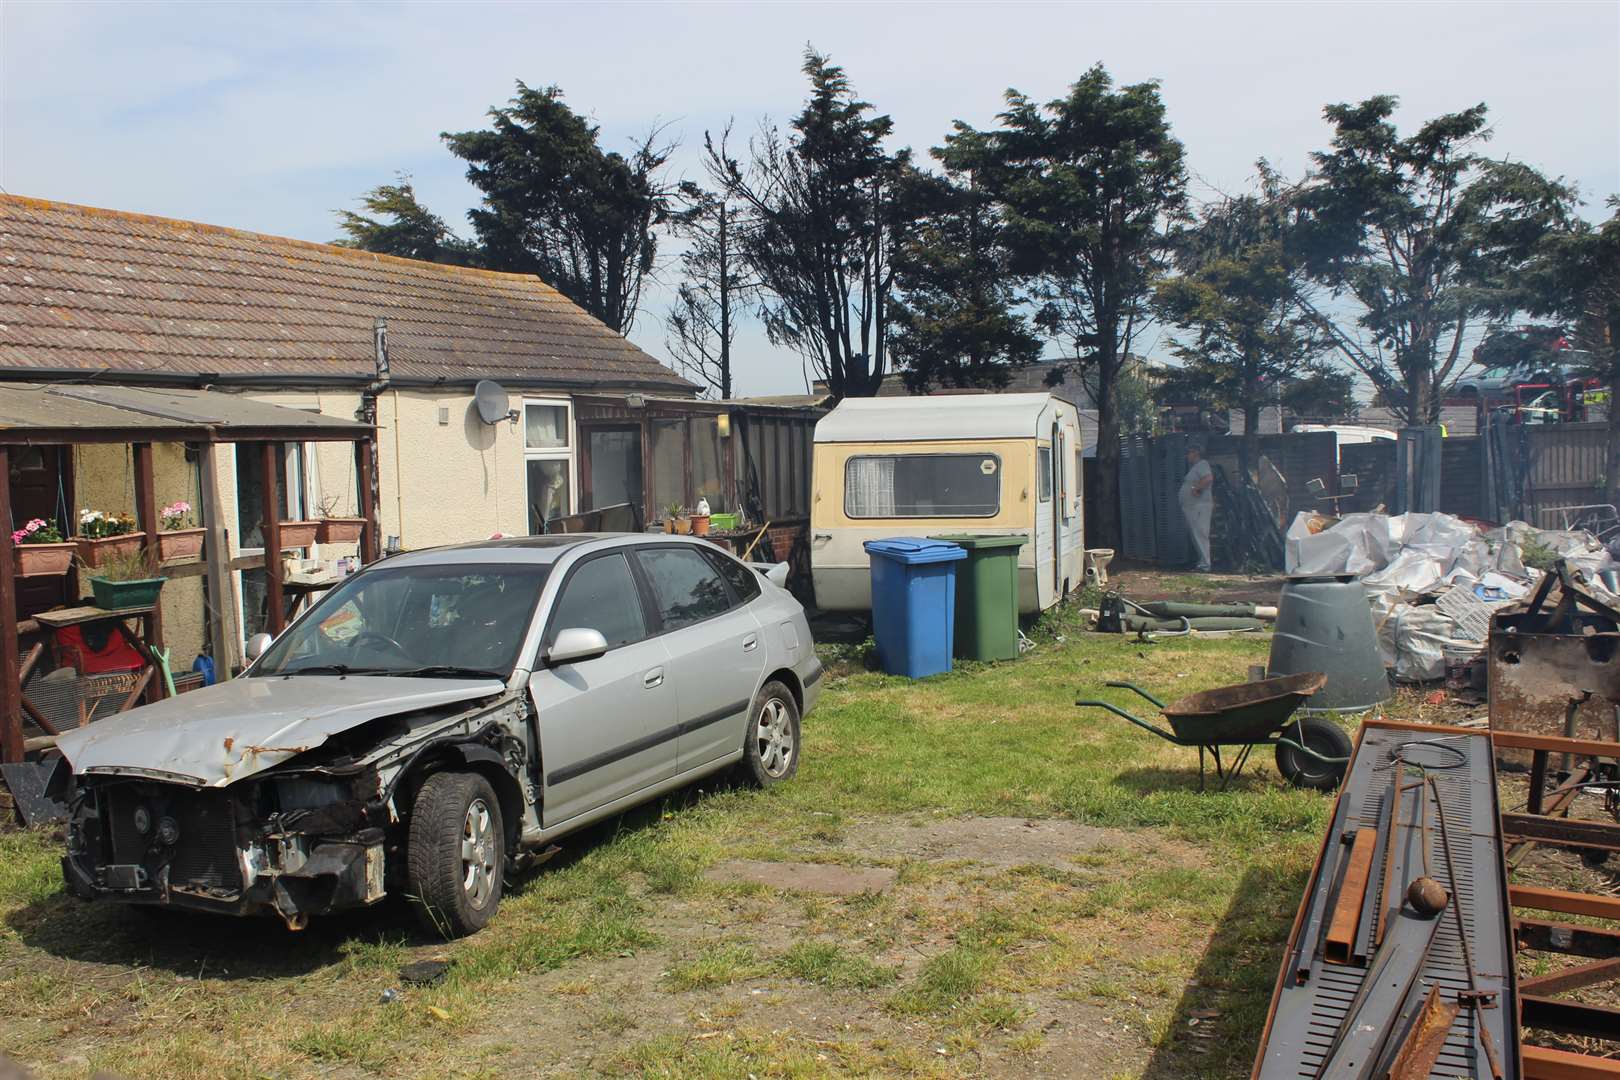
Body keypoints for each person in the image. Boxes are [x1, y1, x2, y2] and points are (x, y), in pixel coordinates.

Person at [1179, 445, 1214, 572]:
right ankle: (1202, 562)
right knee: (1196, 535)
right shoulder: (1195, 467)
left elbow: (1208, 478)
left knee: (1200, 534)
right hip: (1193, 506)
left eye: (1188, 453)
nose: (1187, 456)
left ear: (1195, 453)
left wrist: (1196, 488)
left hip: (1199, 506)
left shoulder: (1202, 464)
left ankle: (1205, 565)